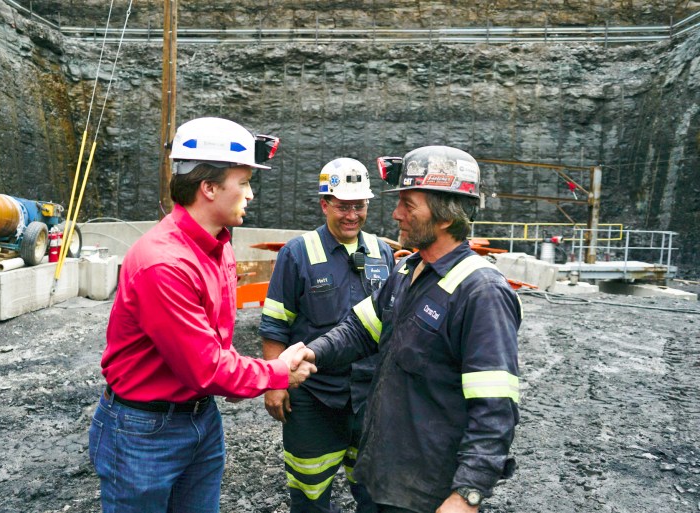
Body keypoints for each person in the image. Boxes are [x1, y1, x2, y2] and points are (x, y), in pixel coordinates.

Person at [88, 117, 316, 513]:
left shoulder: (217, 244)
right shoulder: (164, 264)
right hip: (145, 432)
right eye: (243, 182)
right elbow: (205, 367)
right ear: (208, 188)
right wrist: (279, 372)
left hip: (200, 417)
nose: (251, 194)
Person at [302, 146, 522, 513]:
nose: (396, 214)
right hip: (381, 475)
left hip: (426, 493)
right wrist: (311, 352)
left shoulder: (480, 292)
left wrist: (468, 492)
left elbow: (495, 406)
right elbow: (359, 330)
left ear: (446, 218)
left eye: (409, 204)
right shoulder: (407, 272)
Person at [259, 158, 395, 513]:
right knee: (310, 498)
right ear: (324, 204)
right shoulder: (297, 253)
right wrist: (275, 383)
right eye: (343, 206)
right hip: (314, 400)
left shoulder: (383, 252)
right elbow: (275, 324)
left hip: (370, 401)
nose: (352, 215)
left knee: (376, 497)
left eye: (359, 206)